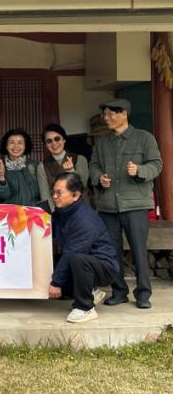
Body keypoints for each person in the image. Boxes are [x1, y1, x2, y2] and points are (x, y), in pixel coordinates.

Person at [89, 98, 163, 309]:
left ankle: (143, 293)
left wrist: (139, 170)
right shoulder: (102, 142)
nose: (106, 118)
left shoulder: (144, 138)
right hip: (108, 206)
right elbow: (94, 166)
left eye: (110, 114)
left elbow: (157, 164)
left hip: (136, 205)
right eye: (105, 114)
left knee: (139, 250)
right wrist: (99, 178)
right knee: (111, 251)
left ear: (124, 114)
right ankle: (119, 291)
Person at [48, 172, 119, 323]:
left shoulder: (84, 220)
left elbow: (71, 253)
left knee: (76, 259)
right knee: (55, 262)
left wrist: (56, 283)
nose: (54, 196)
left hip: (104, 267)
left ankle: (85, 307)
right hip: (84, 260)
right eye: (53, 192)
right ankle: (91, 291)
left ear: (75, 195)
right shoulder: (63, 211)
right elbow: (47, 226)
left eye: (59, 193)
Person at [37, 123, 90, 211]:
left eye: (57, 139)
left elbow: (83, 186)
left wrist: (71, 171)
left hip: (81, 210)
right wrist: (54, 215)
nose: (54, 143)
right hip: (58, 212)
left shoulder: (80, 159)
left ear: (64, 140)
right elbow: (45, 197)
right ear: (45, 144)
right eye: (49, 141)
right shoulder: (42, 167)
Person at [0, 128, 40, 206]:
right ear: (6, 146)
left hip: (32, 210)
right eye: (12, 142)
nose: (16, 146)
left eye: (20, 142)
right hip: (11, 211)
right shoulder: (1, 167)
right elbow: (4, 196)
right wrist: (1, 176)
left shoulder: (34, 165)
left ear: (25, 146)